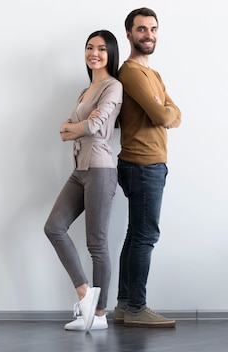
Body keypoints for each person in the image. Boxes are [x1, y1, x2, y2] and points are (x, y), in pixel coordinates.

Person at [44, 29, 122, 332]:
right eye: (90, 48)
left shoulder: (113, 87)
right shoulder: (85, 90)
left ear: (111, 54)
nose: (95, 53)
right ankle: (85, 294)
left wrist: (71, 128)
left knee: (97, 244)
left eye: (102, 49)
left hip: (101, 169)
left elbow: (93, 126)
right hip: (79, 169)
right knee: (54, 227)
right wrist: (74, 128)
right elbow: (71, 129)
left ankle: (99, 315)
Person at [113, 7, 181, 328]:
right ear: (129, 33)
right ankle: (137, 308)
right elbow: (162, 116)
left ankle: (125, 306)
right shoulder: (130, 72)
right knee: (145, 235)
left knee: (135, 235)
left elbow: (175, 112)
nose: (148, 35)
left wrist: (168, 111)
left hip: (150, 164)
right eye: (141, 29)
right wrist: (166, 111)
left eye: (153, 29)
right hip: (142, 163)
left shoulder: (154, 74)